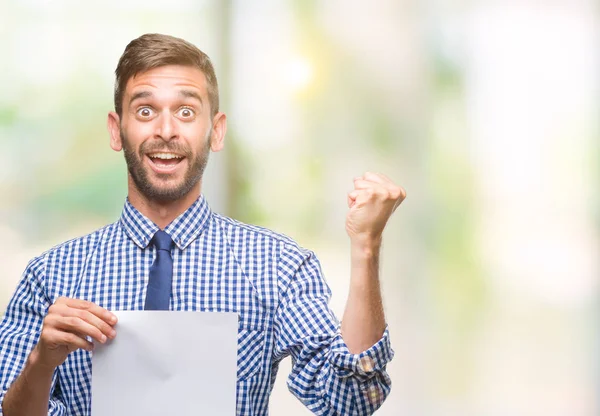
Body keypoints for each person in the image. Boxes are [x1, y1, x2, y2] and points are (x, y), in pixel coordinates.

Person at [0, 33, 405, 416]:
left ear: (216, 131)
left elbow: (351, 401)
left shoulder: (278, 265)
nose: (165, 130)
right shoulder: (51, 276)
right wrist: (42, 361)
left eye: (186, 111)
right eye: (145, 110)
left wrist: (365, 245)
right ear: (116, 129)